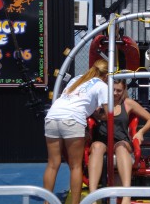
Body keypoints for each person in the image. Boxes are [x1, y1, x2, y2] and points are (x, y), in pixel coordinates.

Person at [43, 59, 109, 204]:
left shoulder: (77, 78)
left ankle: (46, 202)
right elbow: (109, 112)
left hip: (52, 117)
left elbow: (74, 101)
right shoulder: (102, 86)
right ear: (106, 75)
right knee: (76, 166)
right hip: (72, 120)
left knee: (53, 164)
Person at [88, 79, 150, 204]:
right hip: (103, 140)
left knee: (120, 147)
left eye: (119, 90)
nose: (115, 93)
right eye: (112, 90)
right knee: (97, 146)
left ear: (124, 90)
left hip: (121, 140)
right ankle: (92, 196)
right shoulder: (100, 102)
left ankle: (126, 196)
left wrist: (140, 132)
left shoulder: (128, 103)